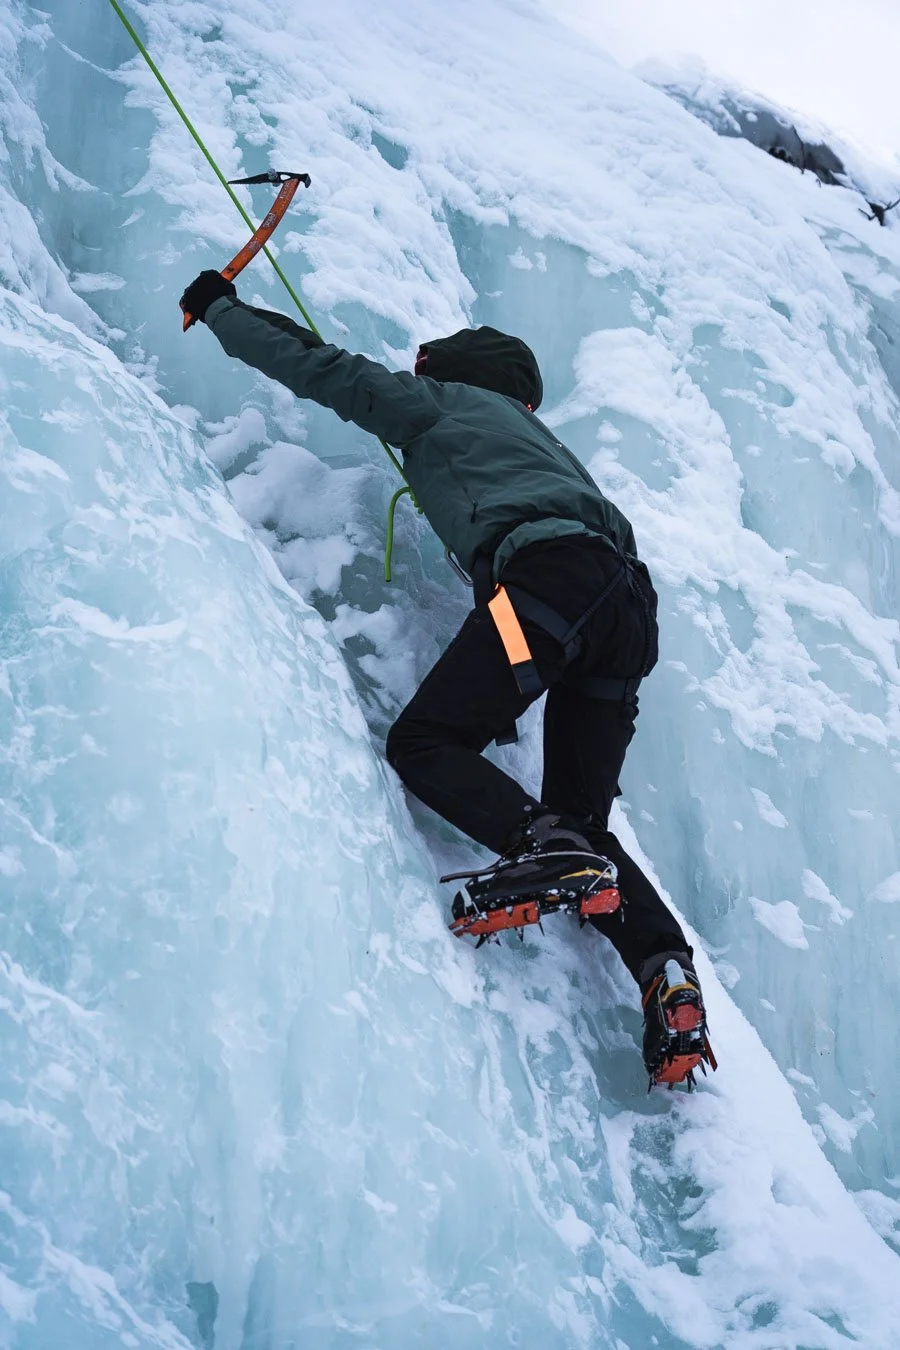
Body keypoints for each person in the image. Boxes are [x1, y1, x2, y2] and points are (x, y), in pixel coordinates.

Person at [179, 269, 715, 1088]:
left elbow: (323, 369)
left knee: (427, 740)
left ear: (454, 376)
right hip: (626, 610)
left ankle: (541, 850)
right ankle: (665, 972)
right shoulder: (548, 447)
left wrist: (220, 307)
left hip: (546, 582)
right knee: (582, 819)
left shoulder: (447, 405)